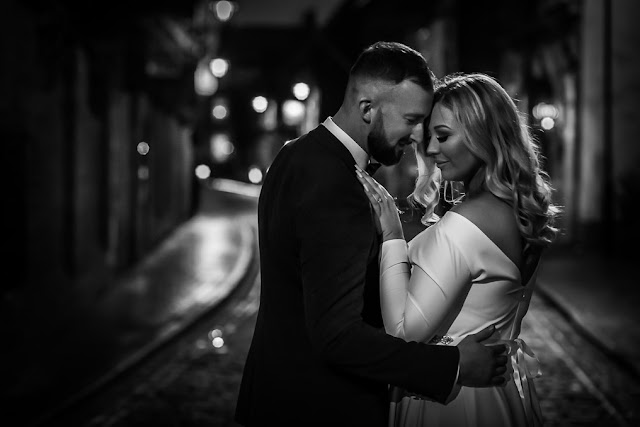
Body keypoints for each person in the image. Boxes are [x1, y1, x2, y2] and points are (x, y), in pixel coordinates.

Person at [235, 43, 509, 427]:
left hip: (277, 397)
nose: (419, 138)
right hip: (323, 408)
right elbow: (338, 336)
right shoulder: (336, 184)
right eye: (412, 120)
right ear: (367, 108)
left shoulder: (295, 154)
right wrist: (452, 365)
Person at [356, 72, 560, 426]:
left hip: (450, 401)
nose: (432, 150)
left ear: (483, 135)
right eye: (430, 137)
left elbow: (402, 334)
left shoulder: (463, 226)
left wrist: (391, 235)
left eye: (444, 136)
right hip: (502, 397)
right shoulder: (519, 213)